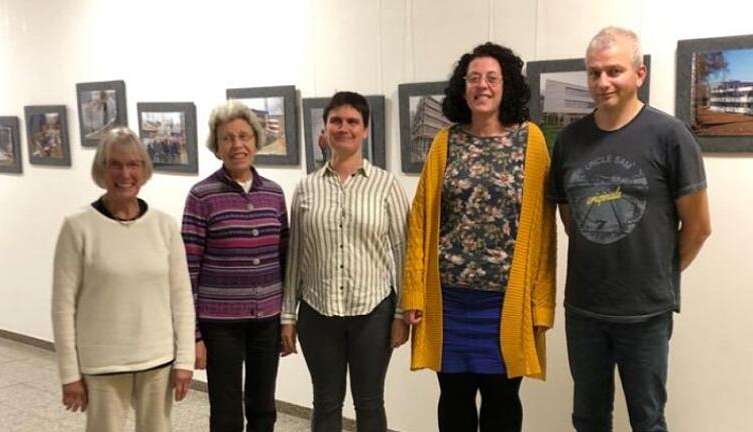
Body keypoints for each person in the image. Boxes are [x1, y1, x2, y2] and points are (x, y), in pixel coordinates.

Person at [549, 27, 711, 432]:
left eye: (614, 71)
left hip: (646, 313)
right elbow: (571, 217)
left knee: (648, 419)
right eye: (594, 73)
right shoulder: (569, 140)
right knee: (587, 417)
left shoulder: (670, 136)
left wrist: (658, 272)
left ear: (639, 74)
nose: (602, 82)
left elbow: (699, 226)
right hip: (584, 308)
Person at [401, 42, 557, 432]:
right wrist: (414, 294)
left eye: (491, 78)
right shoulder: (445, 141)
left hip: (507, 303)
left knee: (503, 402)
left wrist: (541, 304)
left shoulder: (531, 141)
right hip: (449, 301)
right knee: (453, 401)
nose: (482, 86)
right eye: (473, 78)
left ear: (507, 86)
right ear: (462, 88)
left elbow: (544, 232)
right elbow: (420, 222)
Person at [280, 91, 409, 432]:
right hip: (317, 312)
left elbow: (403, 250)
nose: (344, 128)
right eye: (336, 120)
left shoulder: (386, 185)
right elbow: (295, 256)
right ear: (325, 128)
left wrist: (401, 313)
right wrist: (288, 316)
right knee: (325, 401)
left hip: (374, 312)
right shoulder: (306, 188)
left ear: (365, 130)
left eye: (353, 121)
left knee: (369, 403)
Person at [51, 127, 195, 432]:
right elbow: (62, 308)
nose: (124, 173)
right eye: (114, 164)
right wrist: (69, 373)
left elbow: (182, 299)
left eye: (133, 164)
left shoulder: (164, 226)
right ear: (101, 170)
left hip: (157, 359)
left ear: (144, 171)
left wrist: (185, 361)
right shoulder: (78, 228)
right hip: (103, 362)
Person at [181, 100, 288, 432]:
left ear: (256, 142)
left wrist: (286, 318)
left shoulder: (274, 194)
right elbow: (188, 269)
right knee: (226, 413)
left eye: (244, 136)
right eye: (227, 138)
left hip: (266, 321)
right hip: (220, 323)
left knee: (263, 409)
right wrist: (193, 335)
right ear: (217, 147)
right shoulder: (201, 196)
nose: (237, 145)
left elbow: (285, 260)